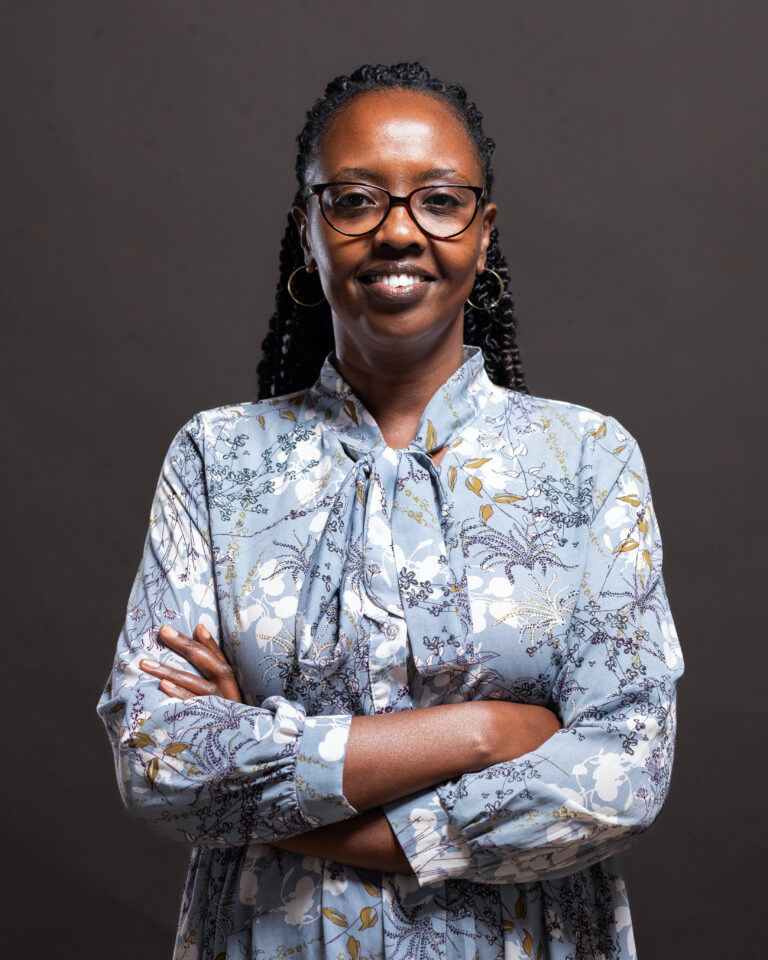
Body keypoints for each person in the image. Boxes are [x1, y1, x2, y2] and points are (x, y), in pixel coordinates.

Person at [97, 62, 683, 960]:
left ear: (483, 236)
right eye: (355, 200)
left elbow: (623, 774)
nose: (399, 231)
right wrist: (485, 734)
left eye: (440, 201)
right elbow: (158, 757)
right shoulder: (218, 459)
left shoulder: (588, 459)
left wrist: (273, 771)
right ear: (308, 231)